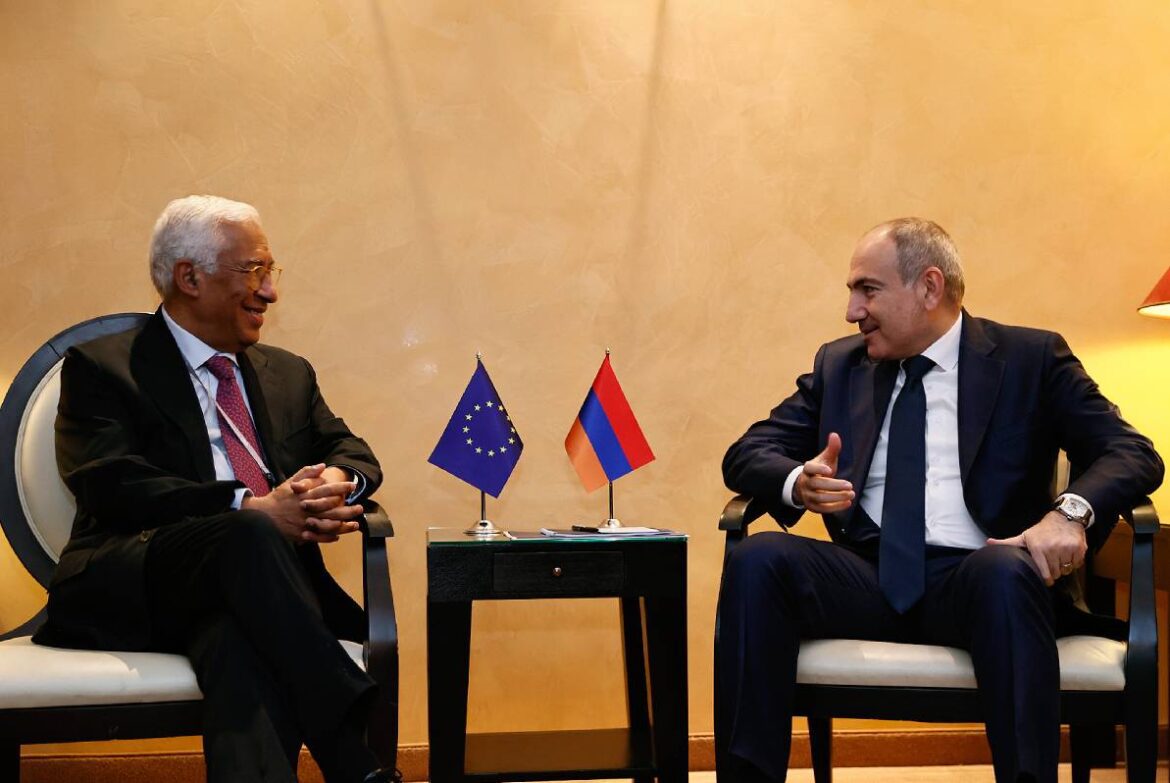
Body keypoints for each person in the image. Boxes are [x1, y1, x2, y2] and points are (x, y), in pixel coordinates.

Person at [714, 218, 1163, 783]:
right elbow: (747, 452)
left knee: (1005, 570)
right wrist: (795, 481)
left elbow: (1131, 451)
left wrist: (1068, 514)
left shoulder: (1030, 359)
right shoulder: (841, 365)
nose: (852, 311)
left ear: (929, 287)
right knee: (758, 558)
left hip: (982, 578)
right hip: (868, 575)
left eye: (867, 290)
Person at [33, 195, 397, 783]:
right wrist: (248, 506)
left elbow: (351, 452)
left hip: (254, 596)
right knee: (247, 530)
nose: (270, 292)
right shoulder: (103, 367)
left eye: (270, 271)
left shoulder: (288, 373)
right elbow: (111, 482)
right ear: (189, 277)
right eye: (253, 270)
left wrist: (334, 482)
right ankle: (351, 755)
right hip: (140, 579)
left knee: (235, 644)